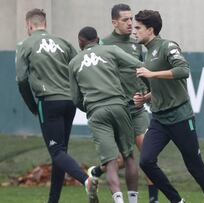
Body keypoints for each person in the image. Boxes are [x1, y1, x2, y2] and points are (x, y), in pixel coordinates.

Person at [133, 10, 204, 203]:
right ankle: (177, 201)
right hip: (159, 120)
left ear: (150, 29)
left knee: (195, 167)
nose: (134, 31)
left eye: (138, 28)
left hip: (181, 117)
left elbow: (183, 70)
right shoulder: (146, 55)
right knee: (146, 161)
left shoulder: (168, 46)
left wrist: (151, 75)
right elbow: (160, 88)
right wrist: (146, 98)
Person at [15, 8, 98, 203]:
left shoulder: (25, 44)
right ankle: (53, 201)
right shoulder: (64, 43)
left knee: (56, 151)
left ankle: (86, 180)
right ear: (45, 23)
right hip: (70, 102)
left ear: (29, 25)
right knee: (61, 152)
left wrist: (33, 106)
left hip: (48, 101)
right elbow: (79, 67)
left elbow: (21, 80)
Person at [88, 4, 159, 203]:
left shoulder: (137, 42)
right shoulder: (103, 44)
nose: (131, 24)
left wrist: (148, 93)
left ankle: (153, 199)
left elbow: (142, 71)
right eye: (125, 20)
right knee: (119, 160)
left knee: (148, 155)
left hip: (136, 109)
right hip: (116, 109)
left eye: (131, 19)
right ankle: (96, 172)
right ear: (114, 22)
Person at [69, 26, 143, 203]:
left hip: (96, 112)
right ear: (98, 38)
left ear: (80, 42)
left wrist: (91, 108)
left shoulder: (74, 62)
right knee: (129, 156)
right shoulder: (111, 50)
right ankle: (133, 201)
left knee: (110, 162)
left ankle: (119, 201)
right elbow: (138, 65)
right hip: (119, 105)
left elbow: (76, 99)